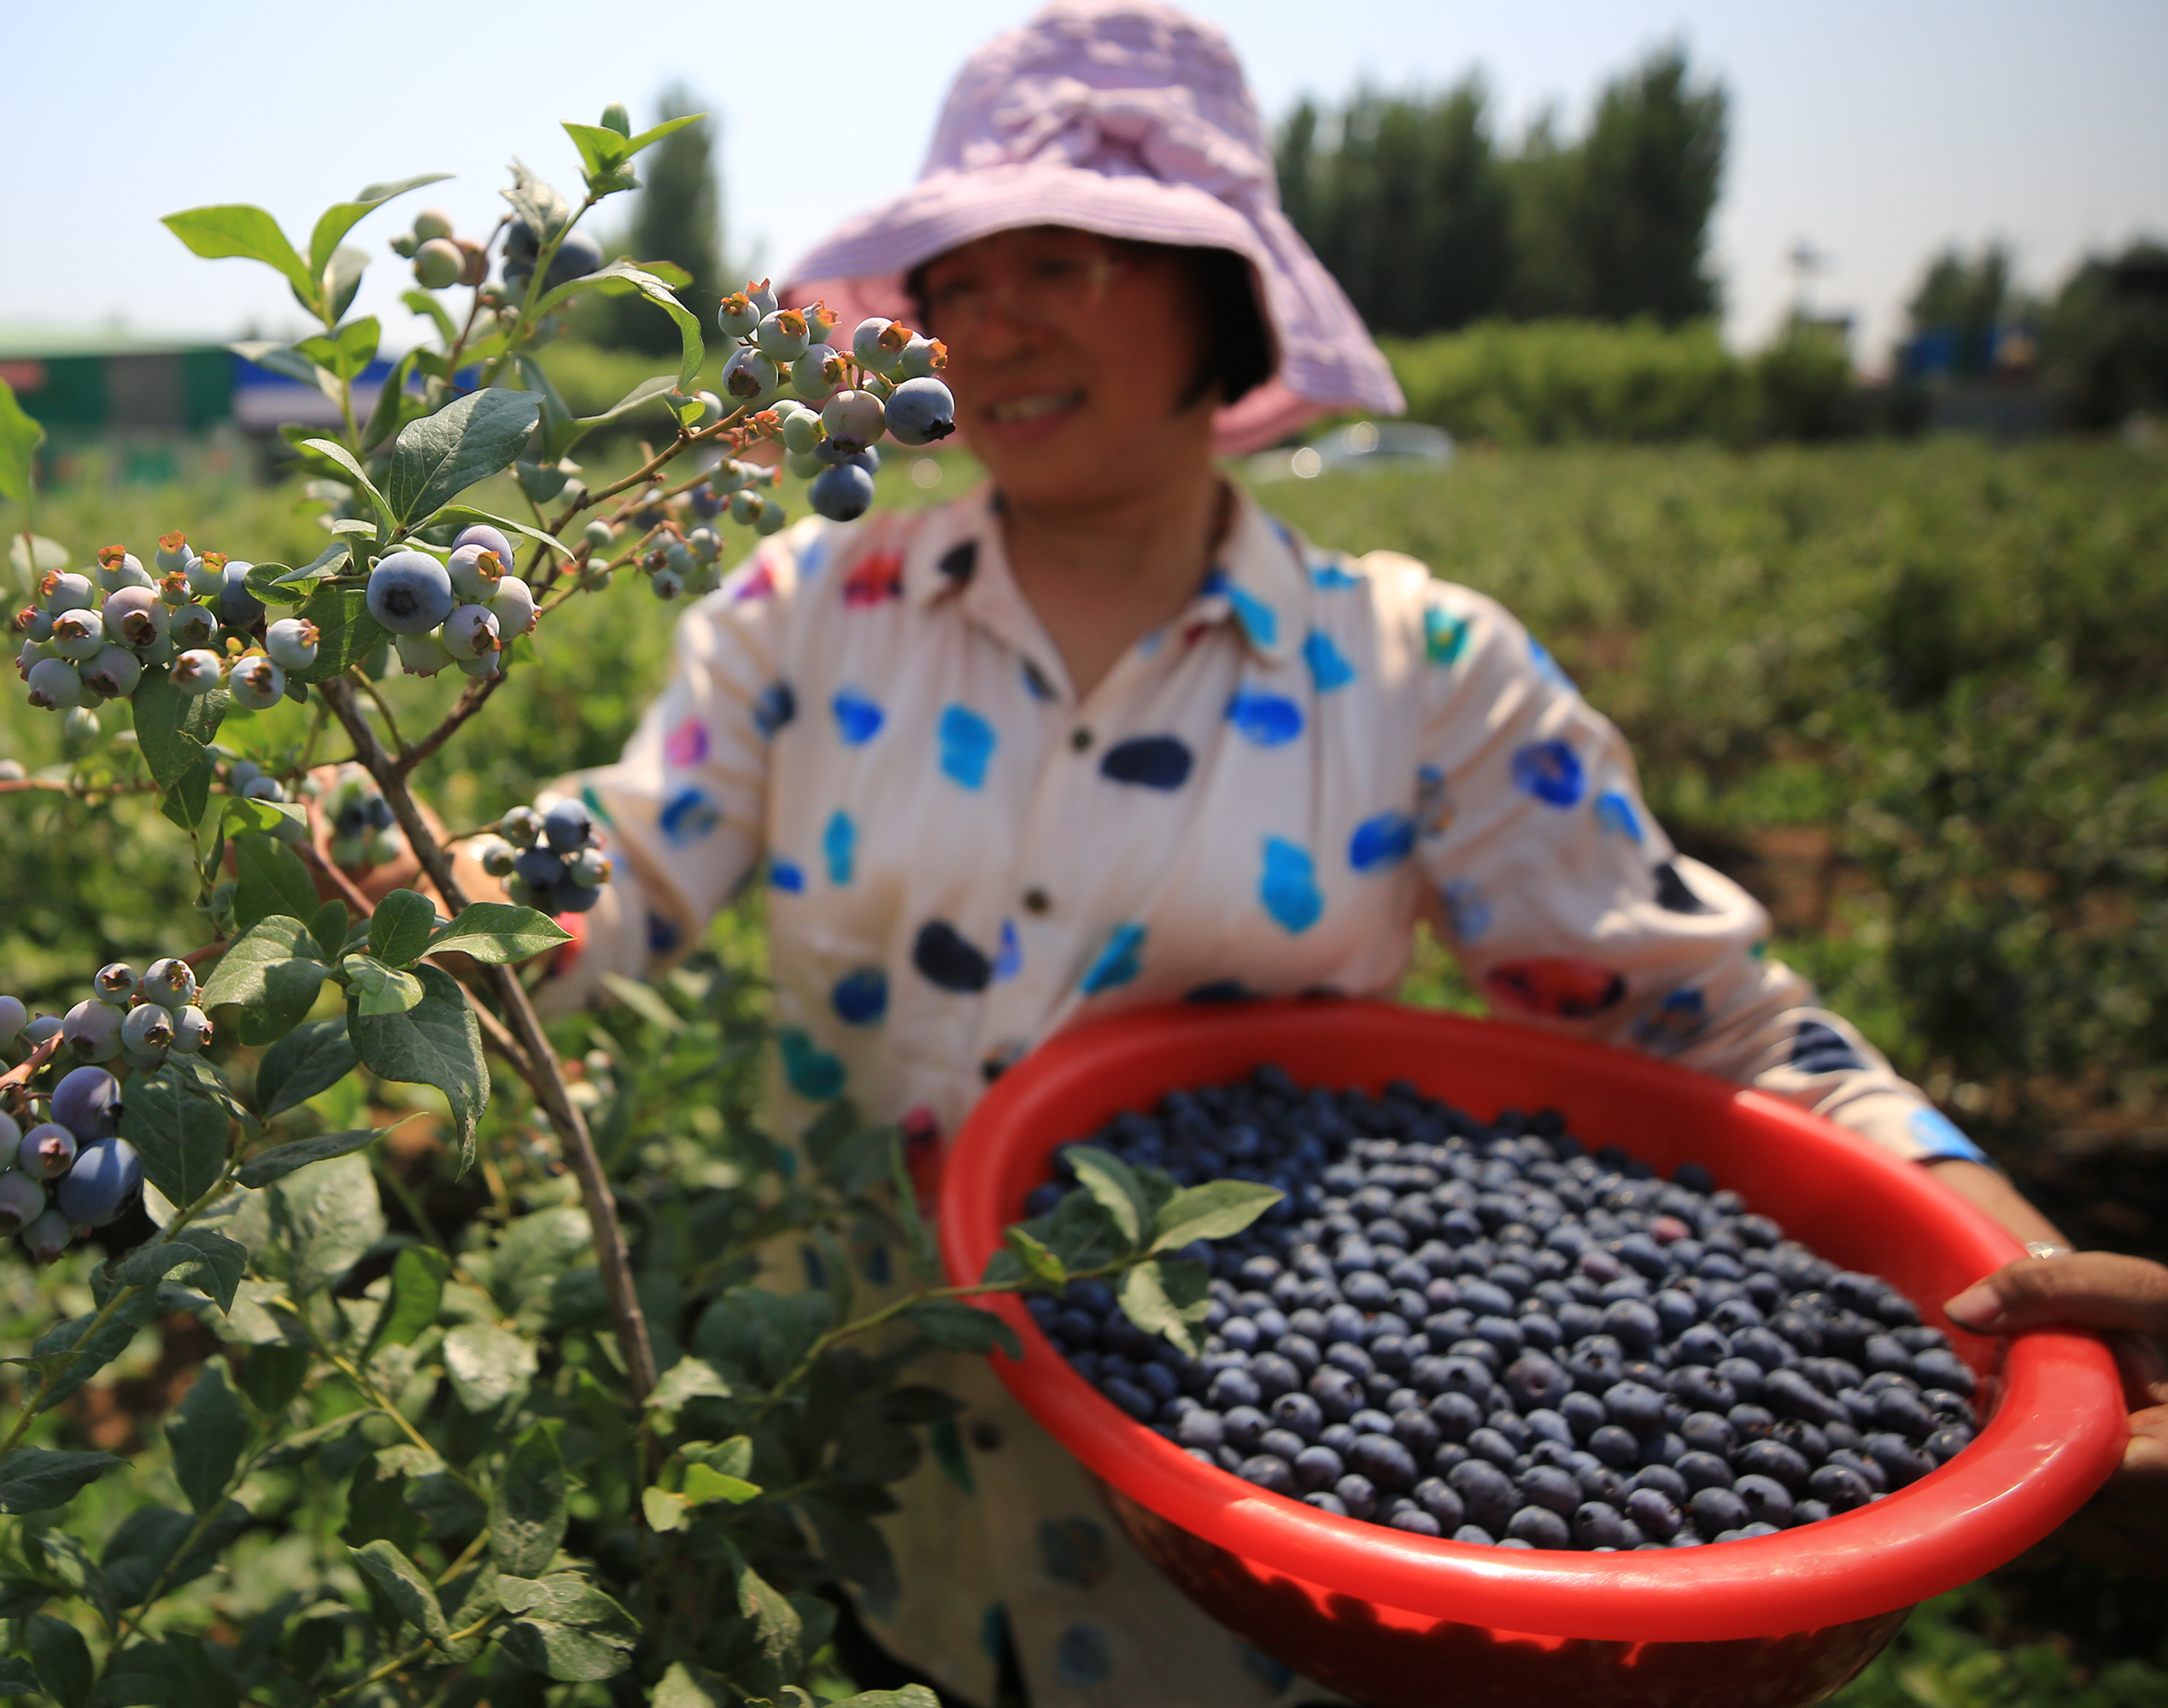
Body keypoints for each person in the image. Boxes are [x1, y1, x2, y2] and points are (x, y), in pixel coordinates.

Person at [472, 4, 2165, 1699]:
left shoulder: (1419, 669)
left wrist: (2006, 1264)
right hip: (869, 1484)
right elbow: (631, 851)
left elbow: (1701, 1016)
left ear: (1226, 301)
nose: (989, 329)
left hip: (1254, 1545)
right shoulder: (808, 616)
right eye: (954, 284)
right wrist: (460, 904)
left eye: (1059, 264)